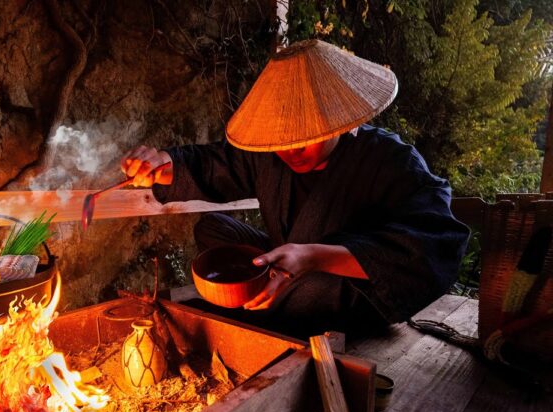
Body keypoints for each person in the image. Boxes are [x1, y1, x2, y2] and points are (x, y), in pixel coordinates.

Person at [120, 40, 470, 337]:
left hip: (345, 286)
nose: (290, 151)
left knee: (314, 289)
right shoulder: (272, 153)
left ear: (337, 119)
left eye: (305, 137)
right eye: (280, 141)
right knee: (213, 228)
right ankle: (274, 295)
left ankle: (264, 310)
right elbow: (218, 162)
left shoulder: (391, 160)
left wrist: (314, 256)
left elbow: (437, 242)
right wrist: (165, 164)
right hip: (289, 263)